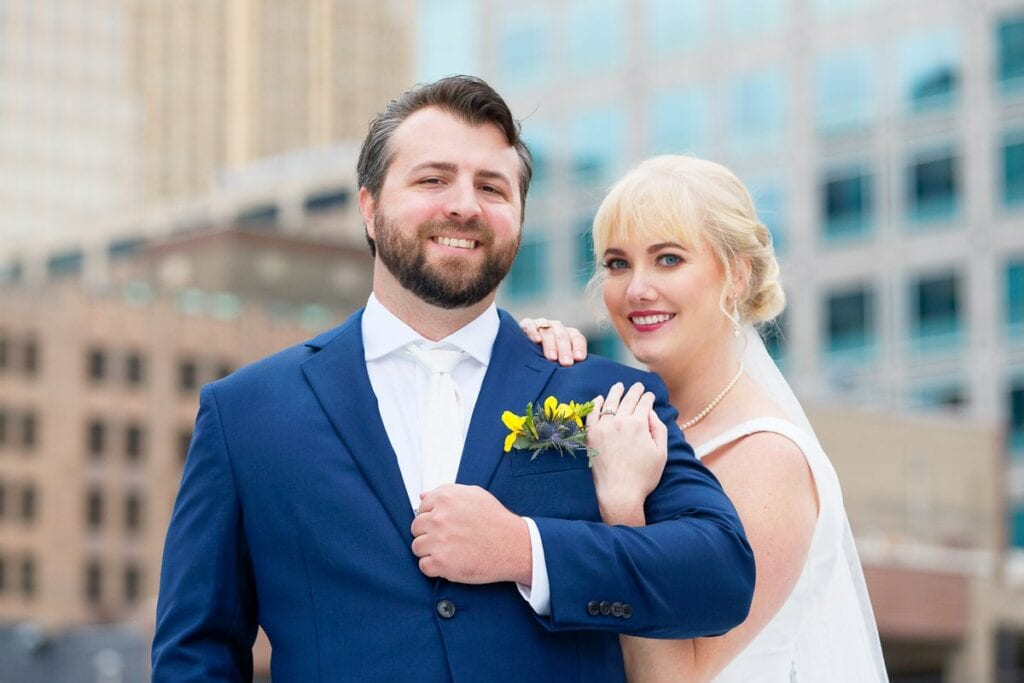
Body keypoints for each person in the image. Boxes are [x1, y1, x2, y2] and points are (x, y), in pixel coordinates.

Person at [151, 78, 755, 681]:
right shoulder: (246, 414)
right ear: (369, 206)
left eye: (492, 187)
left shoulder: (606, 396)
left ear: (518, 218)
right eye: (433, 179)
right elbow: (195, 652)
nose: (464, 205)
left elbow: (721, 576)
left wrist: (525, 550)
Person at [522, 155, 887, 682]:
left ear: (736, 274)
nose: (637, 288)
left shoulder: (768, 460)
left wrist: (624, 506)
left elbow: (677, 677)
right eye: (618, 263)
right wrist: (531, 371)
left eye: (668, 259)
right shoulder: (610, 416)